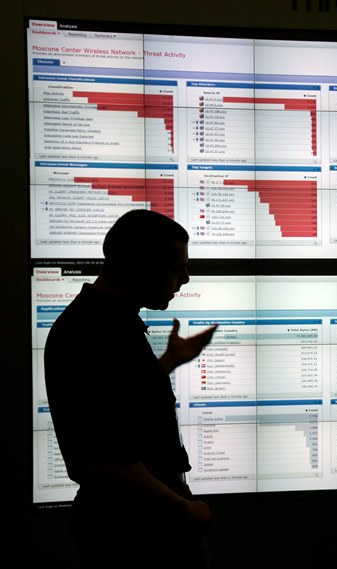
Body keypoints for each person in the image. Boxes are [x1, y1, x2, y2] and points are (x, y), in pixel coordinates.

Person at [44, 209, 218, 568]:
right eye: (176, 267)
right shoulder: (95, 331)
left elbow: (118, 403)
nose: (185, 278)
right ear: (138, 263)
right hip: (138, 528)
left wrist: (168, 362)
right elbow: (106, 459)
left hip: (137, 519)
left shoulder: (105, 322)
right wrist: (184, 508)